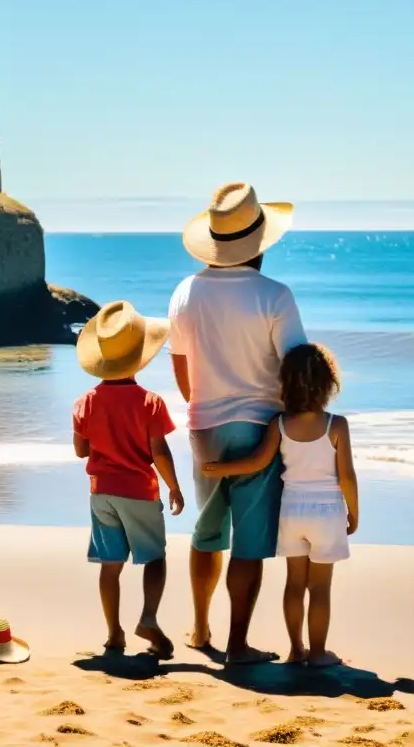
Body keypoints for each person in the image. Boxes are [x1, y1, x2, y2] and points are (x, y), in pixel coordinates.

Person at [169, 182, 307, 665]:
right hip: (258, 427)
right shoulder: (275, 295)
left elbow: (182, 371)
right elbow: (296, 370)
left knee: (206, 534)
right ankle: (237, 643)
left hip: (203, 426)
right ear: (260, 245)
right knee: (249, 542)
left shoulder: (186, 291)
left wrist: (206, 408)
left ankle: (200, 628)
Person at [203, 343, 358, 667]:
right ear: (329, 384)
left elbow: (257, 462)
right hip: (326, 513)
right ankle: (318, 653)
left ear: (285, 384)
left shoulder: (280, 423)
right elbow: (347, 477)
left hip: (291, 512)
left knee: (294, 584)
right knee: (319, 588)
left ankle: (295, 649)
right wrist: (353, 512)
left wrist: (221, 468)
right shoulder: (336, 425)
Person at [72, 300, 185, 659]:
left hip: (101, 492)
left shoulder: (84, 403)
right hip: (139, 490)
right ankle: (148, 618)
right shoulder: (150, 402)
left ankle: (113, 635)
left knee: (111, 564)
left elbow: (81, 451)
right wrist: (174, 487)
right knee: (154, 558)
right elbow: (159, 452)